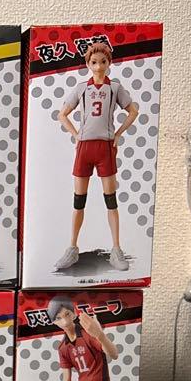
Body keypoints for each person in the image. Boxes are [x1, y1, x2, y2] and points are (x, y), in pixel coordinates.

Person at [53, 41, 139, 274]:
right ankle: (72, 248)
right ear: (88, 64)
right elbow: (62, 114)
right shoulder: (82, 88)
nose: (99, 66)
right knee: (78, 201)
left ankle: (116, 249)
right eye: (94, 62)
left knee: (111, 200)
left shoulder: (115, 88)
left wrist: (118, 134)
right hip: (84, 148)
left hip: (105, 147)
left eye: (103, 61)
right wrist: (76, 135)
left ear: (109, 62)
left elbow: (133, 110)